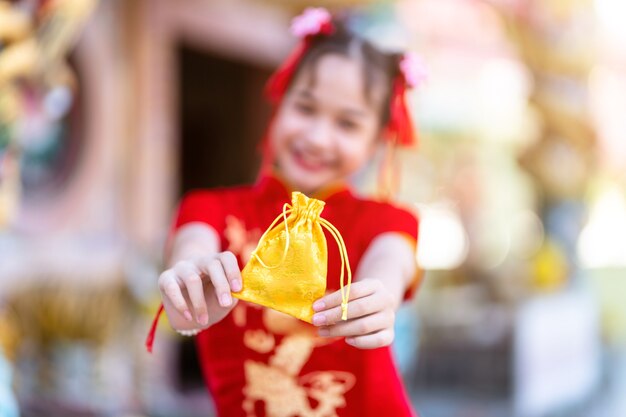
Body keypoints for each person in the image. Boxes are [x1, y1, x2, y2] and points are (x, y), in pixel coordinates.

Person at [147, 7, 426, 417]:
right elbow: (192, 247)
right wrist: (189, 280)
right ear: (278, 105)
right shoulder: (208, 209)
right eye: (305, 108)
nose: (316, 137)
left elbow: (391, 261)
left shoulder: (390, 222)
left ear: (375, 144)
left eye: (347, 124)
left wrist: (381, 292)